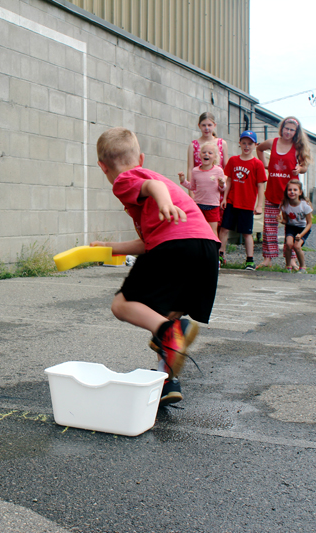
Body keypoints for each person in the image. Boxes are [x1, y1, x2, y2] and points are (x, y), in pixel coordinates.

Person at [90, 128, 220, 407]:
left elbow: (153, 188)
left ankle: (168, 333)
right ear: (141, 157)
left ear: (103, 166)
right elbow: (148, 243)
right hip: (206, 248)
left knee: (123, 305)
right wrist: (109, 247)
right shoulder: (156, 181)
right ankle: (167, 380)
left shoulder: (127, 179)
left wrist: (163, 203)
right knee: (165, 315)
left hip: (175, 245)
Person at [256, 117, 311, 269]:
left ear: (296, 132)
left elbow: (305, 167)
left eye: (292, 130)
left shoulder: (298, 147)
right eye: (286, 128)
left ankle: (291, 259)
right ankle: (268, 259)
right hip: (273, 191)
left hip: (290, 195)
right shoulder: (272, 142)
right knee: (269, 227)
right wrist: (264, 165)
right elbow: (259, 149)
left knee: (291, 228)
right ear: (282, 128)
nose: (288, 132)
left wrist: (300, 169)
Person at [219, 131, 267, 270]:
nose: (247, 146)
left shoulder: (257, 164)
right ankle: (221, 255)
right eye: (244, 143)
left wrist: (259, 205)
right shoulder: (233, 161)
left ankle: (250, 260)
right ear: (239, 143)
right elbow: (228, 180)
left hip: (247, 204)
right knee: (224, 229)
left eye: (250, 143)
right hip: (232, 201)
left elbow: (260, 186)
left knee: (247, 233)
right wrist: (225, 198)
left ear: (255, 145)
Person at [178, 141, 226, 236]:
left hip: (212, 205)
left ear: (215, 157)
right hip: (198, 204)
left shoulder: (218, 170)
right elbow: (192, 187)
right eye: (204, 152)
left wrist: (222, 184)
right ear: (200, 155)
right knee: (197, 229)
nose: (206, 154)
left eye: (210, 153)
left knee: (212, 230)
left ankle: (213, 245)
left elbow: (222, 189)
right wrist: (183, 181)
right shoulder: (195, 171)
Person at [278, 179, 313, 273]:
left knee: (297, 246)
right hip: (291, 227)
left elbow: (309, 223)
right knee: (288, 244)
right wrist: (281, 220)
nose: (292, 192)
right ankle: (288, 266)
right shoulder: (285, 205)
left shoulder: (305, 206)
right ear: (286, 192)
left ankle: (303, 267)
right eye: (290, 190)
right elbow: (286, 220)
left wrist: (301, 235)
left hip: (303, 228)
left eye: (295, 190)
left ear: (300, 192)